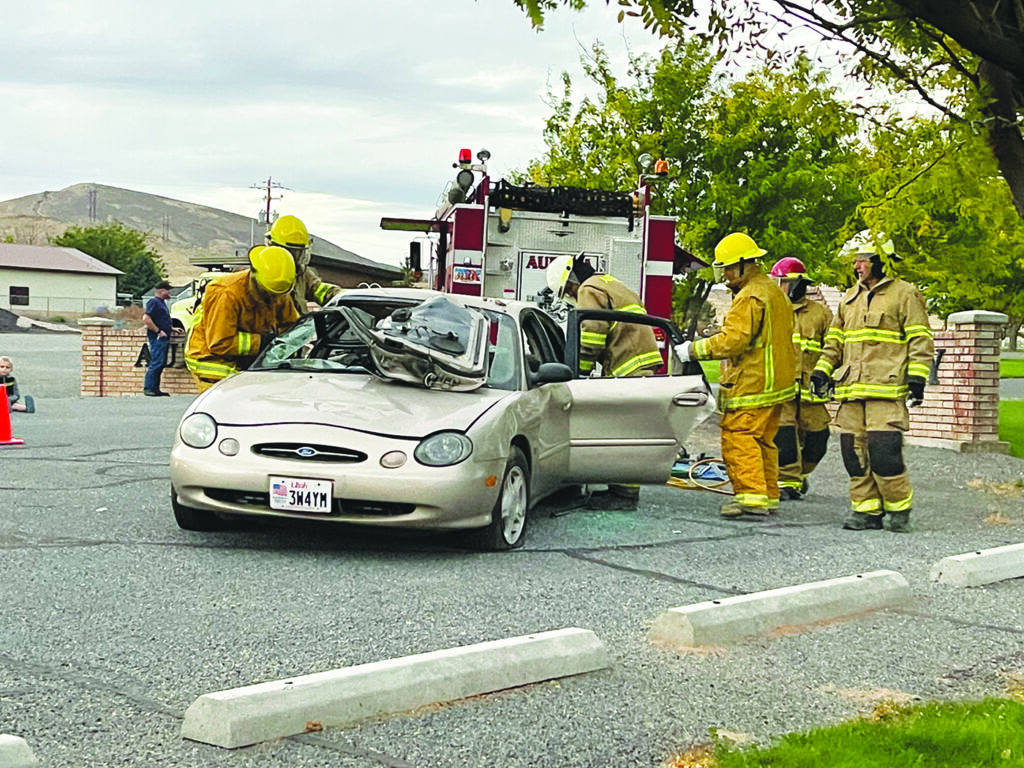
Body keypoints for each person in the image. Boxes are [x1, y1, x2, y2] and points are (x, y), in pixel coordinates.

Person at [811, 232, 934, 533]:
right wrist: (821, 371)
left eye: (862, 260)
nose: (857, 266)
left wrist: (917, 379)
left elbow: (920, 339)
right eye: (856, 260)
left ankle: (899, 509)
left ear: (880, 261)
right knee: (853, 455)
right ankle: (866, 512)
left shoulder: (905, 294)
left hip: (886, 390)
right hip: (852, 392)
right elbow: (835, 341)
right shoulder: (849, 299)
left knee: (884, 454)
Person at [675, 233, 796, 518]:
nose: (725, 275)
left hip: (753, 382)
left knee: (739, 437)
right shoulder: (773, 291)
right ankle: (767, 494)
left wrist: (693, 350)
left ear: (745, 264)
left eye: (728, 268)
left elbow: (733, 341)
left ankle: (751, 499)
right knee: (763, 441)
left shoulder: (750, 296)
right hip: (774, 383)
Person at [546, 253, 663, 511]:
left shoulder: (589, 289)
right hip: (639, 363)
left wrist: (576, 374)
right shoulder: (610, 283)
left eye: (568, 292)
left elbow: (592, 336)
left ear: (572, 282)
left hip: (628, 367)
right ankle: (623, 492)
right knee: (629, 432)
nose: (572, 297)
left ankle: (622, 496)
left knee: (623, 433)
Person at [185, 245, 300, 392]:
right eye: (268, 293)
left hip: (244, 359)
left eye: (277, 294)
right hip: (211, 361)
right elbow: (220, 343)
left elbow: (291, 327)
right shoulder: (226, 293)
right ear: (254, 276)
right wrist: (261, 342)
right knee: (229, 404)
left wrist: (293, 346)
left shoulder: (277, 290)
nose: (273, 299)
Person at [768, 257, 833, 500]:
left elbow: (835, 347)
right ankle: (785, 482)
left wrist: (828, 376)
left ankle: (799, 476)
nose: (781, 287)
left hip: (810, 391)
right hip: (780, 387)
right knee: (784, 437)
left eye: (784, 282)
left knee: (818, 439)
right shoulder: (770, 311)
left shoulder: (821, 314)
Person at [265, 215, 342, 315]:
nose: (297, 256)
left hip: (296, 329)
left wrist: (345, 295)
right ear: (277, 249)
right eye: (293, 251)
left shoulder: (301, 273)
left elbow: (320, 290)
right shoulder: (263, 275)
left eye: (299, 251)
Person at [141, 280, 182, 396]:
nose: (169, 293)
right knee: (157, 362)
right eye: (168, 290)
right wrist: (159, 331)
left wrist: (172, 328)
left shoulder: (161, 303)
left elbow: (159, 320)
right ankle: (149, 388)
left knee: (161, 362)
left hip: (163, 336)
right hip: (158, 338)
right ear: (161, 291)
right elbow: (146, 319)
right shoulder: (154, 302)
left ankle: (155, 389)